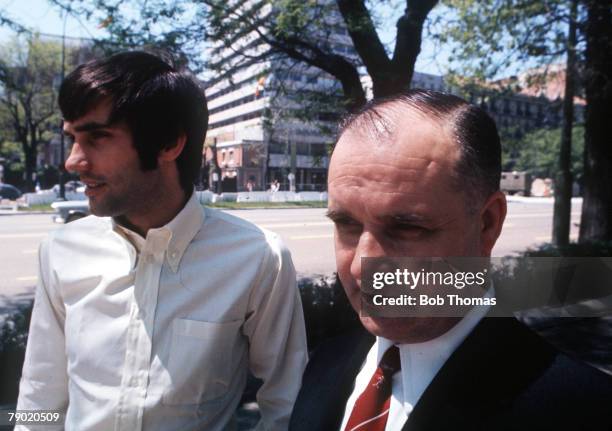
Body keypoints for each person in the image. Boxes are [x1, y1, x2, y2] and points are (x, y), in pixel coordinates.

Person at [17, 51, 308, 431]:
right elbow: (40, 391)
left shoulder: (258, 258)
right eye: (72, 137)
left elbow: (286, 405)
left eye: (98, 137)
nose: (73, 161)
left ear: (169, 143)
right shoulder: (60, 250)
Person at [290, 90, 612, 431]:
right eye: (347, 225)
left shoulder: (586, 412)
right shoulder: (324, 364)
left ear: (487, 224)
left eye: (407, 228)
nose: (361, 267)